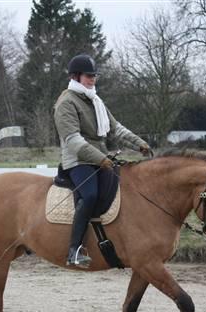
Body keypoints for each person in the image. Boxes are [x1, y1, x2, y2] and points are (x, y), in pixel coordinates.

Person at [53, 54, 151, 267]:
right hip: (78, 161)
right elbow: (73, 141)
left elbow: (116, 129)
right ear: (76, 77)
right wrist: (101, 159)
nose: (93, 79)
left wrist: (139, 144)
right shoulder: (66, 103)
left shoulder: (95, 100)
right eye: (89, 76)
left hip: (101, 159)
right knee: (90, 195)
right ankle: (74, 250)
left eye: (94, 76)